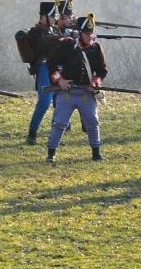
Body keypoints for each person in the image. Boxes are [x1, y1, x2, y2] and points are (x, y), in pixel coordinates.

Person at [46, 13, 107, 162]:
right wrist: (60, 81)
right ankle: (51, 153)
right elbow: (51, 66)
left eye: (91, 33)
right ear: (80, 33)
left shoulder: (96, 48)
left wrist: (96, 82)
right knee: (59, 123)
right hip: (67, 92)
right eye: (87, 33)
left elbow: (101, 71)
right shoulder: (66, 44)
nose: (90, 36)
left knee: (93, 122)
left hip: (86, 93)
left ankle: (96, 153)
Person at [25, 1, 60, 145]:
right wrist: (60, 39)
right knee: (45, 102)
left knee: (61, 101)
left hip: (57, 68)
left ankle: (56, 135)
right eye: (51, 15)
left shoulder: (55, 31)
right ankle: (32, 133)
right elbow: (42, 45)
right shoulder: (35, 32)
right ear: (43, 16)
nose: (54, 18)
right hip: (44, 68)